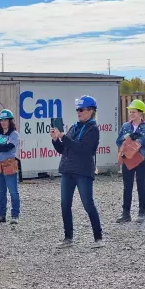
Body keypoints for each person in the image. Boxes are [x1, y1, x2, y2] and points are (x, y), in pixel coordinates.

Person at [50, 95, 103, 248]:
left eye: (81, 109)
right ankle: (68, 237)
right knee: (64, 204)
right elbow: (63, 149)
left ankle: (98, 238)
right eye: (77, 109)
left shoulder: (93, 129)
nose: (78, 112)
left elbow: (82, 149)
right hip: (68, 169)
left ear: (91, 111)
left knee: (88, 204)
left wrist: (63, 137)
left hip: (83, 171)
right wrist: (55, 139)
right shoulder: (74, 127)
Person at [116, 99, 145, 223]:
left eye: (133, 112)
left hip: (142, 160)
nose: (131, 114)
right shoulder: (125, 126)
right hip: (128, 160)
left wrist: (140, 141)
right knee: (127, 187)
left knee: (141, 187)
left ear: (140, 113)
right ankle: (126, 214)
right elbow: (118, 141)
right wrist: (126, 138)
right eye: (130, 112)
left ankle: (142, 213)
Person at [0, 109, 21, 224]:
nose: (3, 122)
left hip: (9, 165)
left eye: (5, 120)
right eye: (1, 120)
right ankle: (1, 215)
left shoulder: (14, 134)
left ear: (10, 121)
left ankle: (15, 215)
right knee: (1, 192)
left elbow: (9, 147)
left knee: (13, 192)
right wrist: (2, 145)